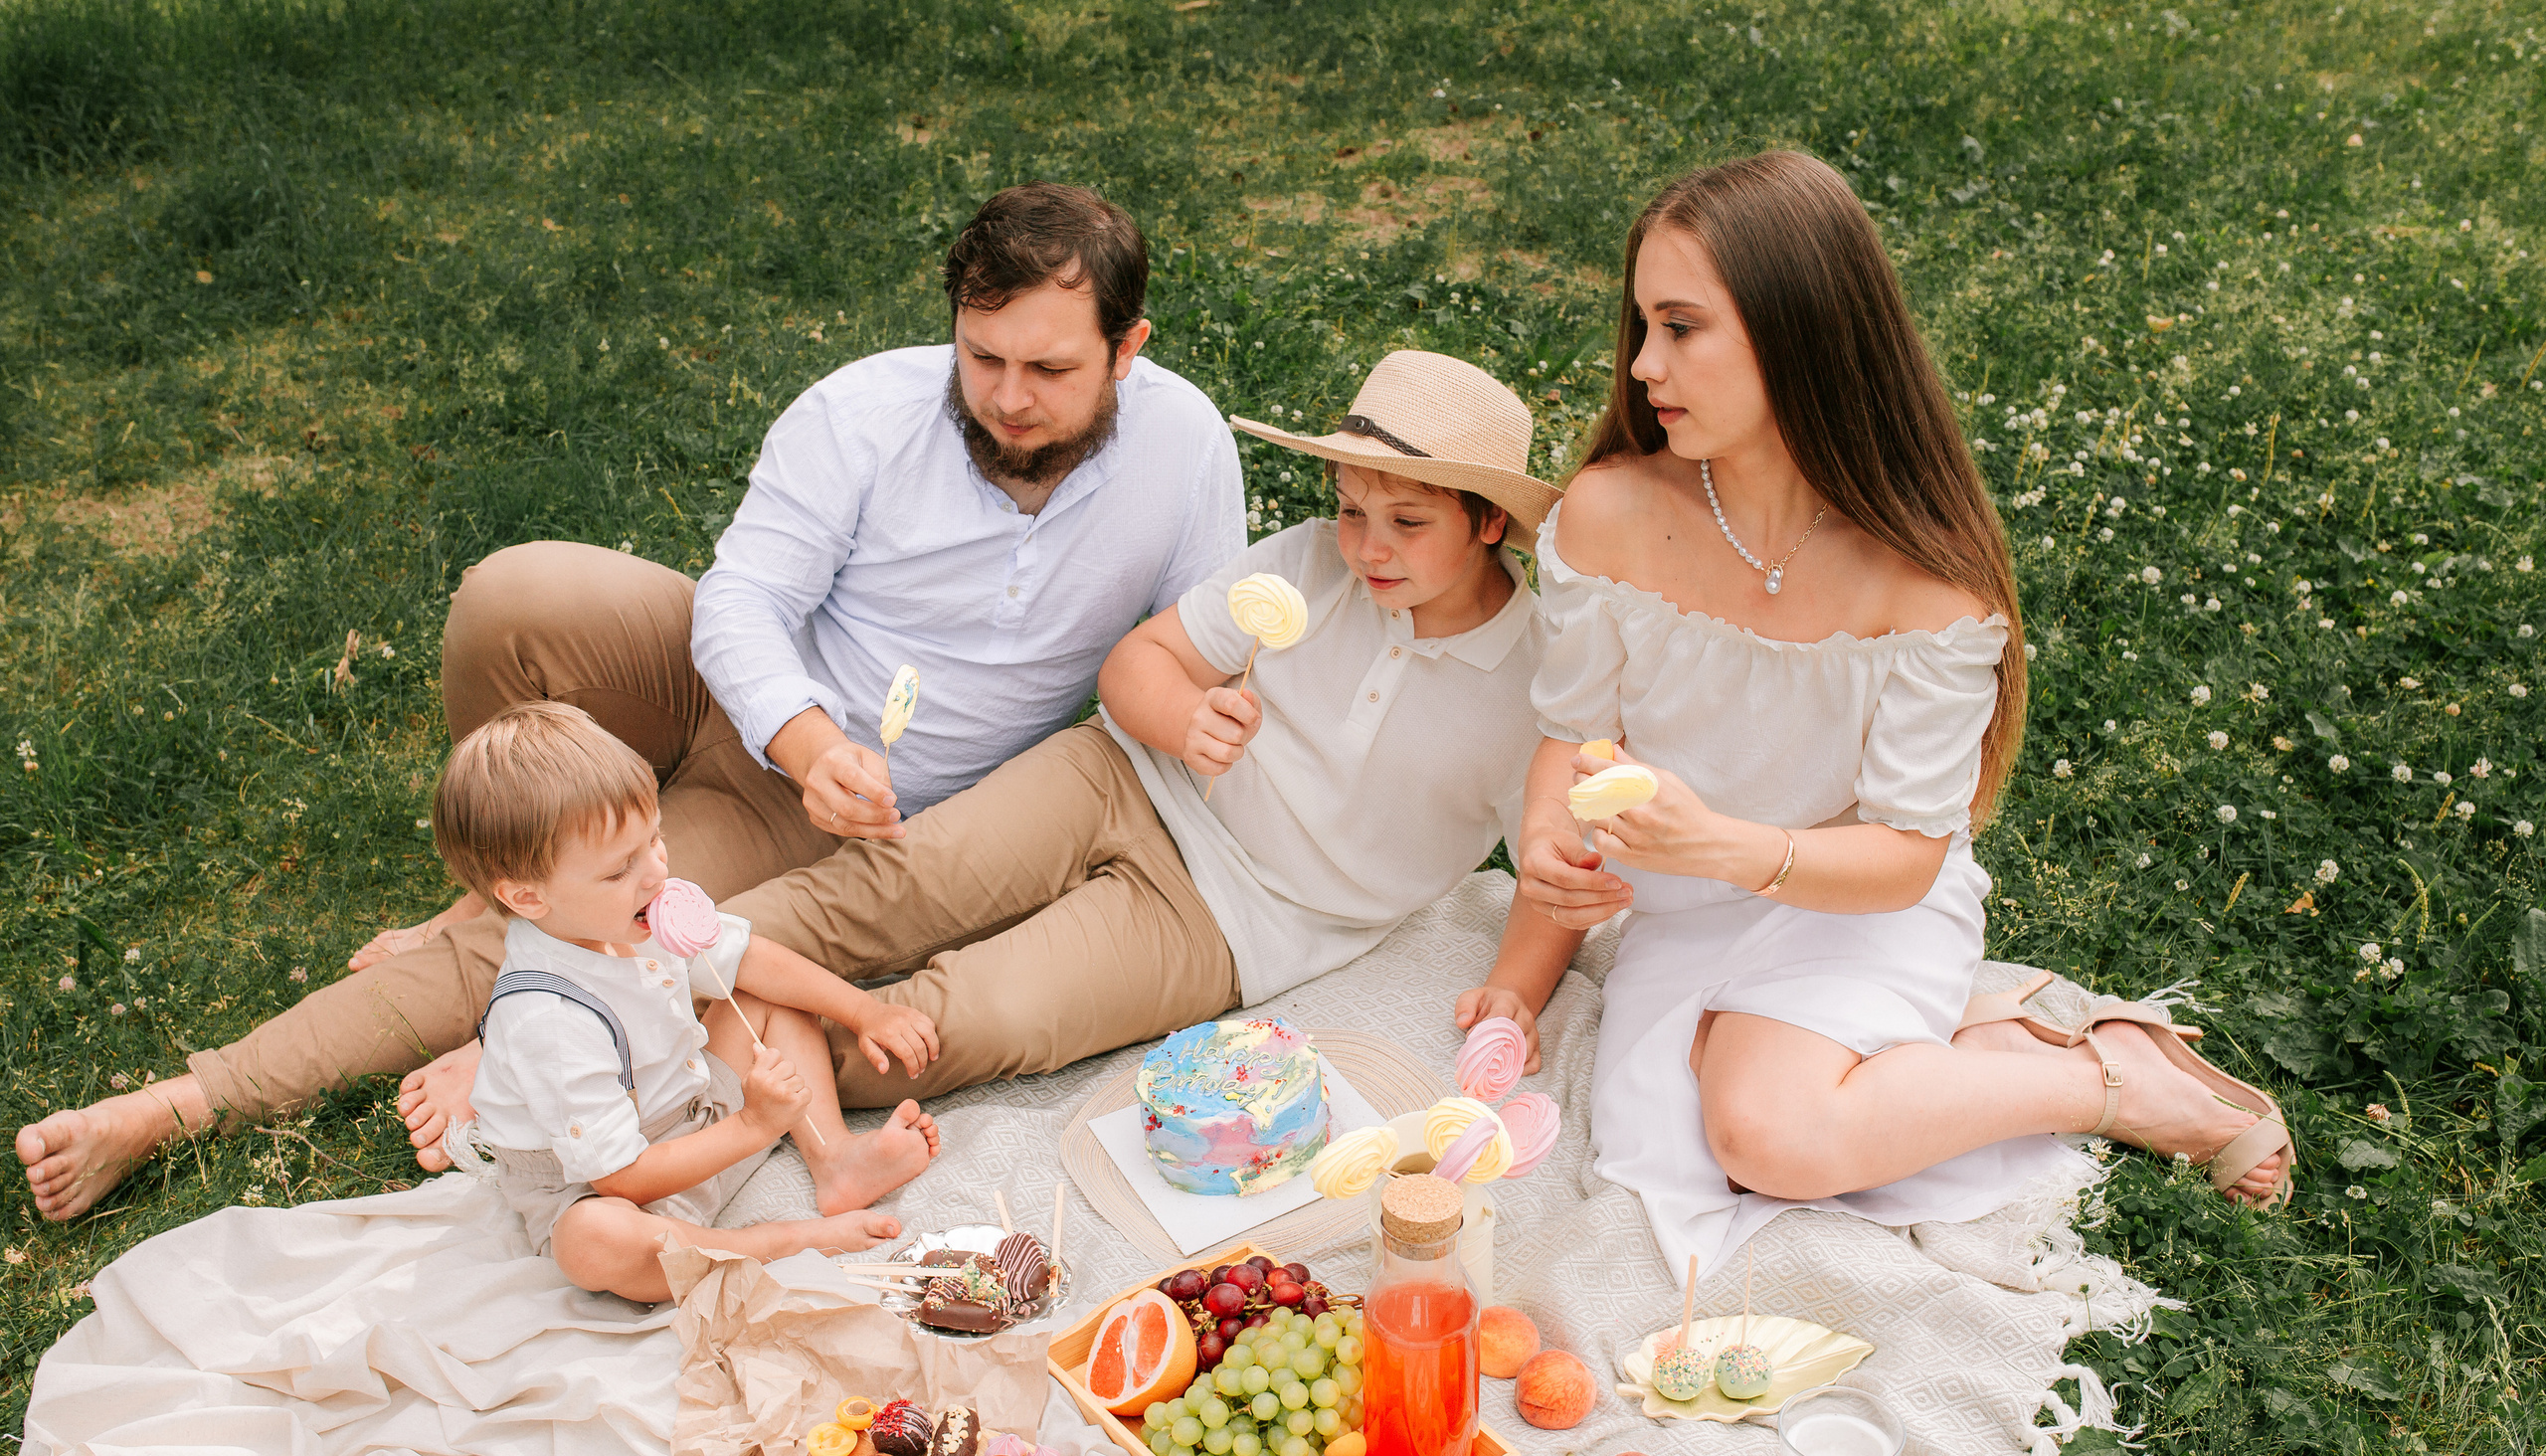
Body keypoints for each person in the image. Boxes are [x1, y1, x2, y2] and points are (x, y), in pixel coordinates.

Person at [18, 181, 1240, 1222]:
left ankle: (187, 1100)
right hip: (751, 707)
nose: (1008, 397)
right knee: (521, 595)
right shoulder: (866, 411)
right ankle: (502, 871)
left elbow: (1196, 643)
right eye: (983, 358)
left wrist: (1197, 708)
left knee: (572, 923)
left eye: (1050, 369)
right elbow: (741, 600)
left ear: (1128, 349)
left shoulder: (1185, 452)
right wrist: (807, 736)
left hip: (831, 817)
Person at [395, 349, 1583, 1138]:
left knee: (966, 1021)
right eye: (1351, 508)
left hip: (1238, 920)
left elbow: (1555, 865)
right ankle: (537, 1034)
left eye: (1407, 522)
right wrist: (1185, 718)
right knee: (868, 895)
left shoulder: (1538, 684)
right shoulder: (1305, 567)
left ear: (1489, 525)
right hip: (1117, 777)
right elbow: (1138, 667)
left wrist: (1517, 992)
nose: (1365, 544)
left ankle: (646, 1086)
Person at [1518, 152, 2294, 1277]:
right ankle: (1995, 1024)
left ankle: (2111, 1079)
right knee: (1673, 1158)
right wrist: (1551, 836)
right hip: (1684, 903)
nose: (1643, 365)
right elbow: (1571, 733)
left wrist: (1725, 845)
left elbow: (1902, 858)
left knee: (1769, 1136)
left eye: (1682, 327)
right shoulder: (1608, 512)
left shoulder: (1927, 583)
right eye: (1642, 324)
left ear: (1801, 332)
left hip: (1860, 905)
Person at [429, 702, 937, 1300]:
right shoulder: (548, 1019)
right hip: (606, 1185)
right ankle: (779, 1242)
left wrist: (864, 1011)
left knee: (766, 998)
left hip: (690, 1120)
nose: (655, 873)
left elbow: (748, 960)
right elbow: (619, 1179)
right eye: (620, 869)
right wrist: (753, 1125)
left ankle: (836, 1162)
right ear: (529, 898)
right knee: (591, 1241)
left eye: (655, 839)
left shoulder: (638, 916)